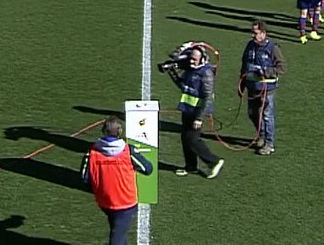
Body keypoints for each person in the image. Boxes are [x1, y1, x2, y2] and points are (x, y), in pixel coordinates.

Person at [80, 116, 153, 245]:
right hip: (126, 202)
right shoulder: (128, 151)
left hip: (105, 202)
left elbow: (85, 178)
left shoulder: (91, 152)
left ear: (104, 131)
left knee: (118, 230)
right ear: (120, 131)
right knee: (117, 237)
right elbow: (147, 169)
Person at [164, 46, 224, 179]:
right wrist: (171, 71)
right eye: (190, 59)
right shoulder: (191, 70)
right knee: (185, 138)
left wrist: (200, 118)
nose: (191, 62)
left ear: (202, 59)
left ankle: (213, 161)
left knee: (192, 139)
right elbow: (183, 86)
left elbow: (208, 98)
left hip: (197, 111)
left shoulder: (206, 73)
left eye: (194, 59)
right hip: (187, 108)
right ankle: (190, 166)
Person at [240, 21, 286, 155]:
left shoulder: (273, 48)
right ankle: (261, 135)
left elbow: (282, 67)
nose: (253, 36)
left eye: (255, 33)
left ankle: (269, 143)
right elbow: (244, 64)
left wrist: (266, 72)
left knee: (266, 115)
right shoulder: (250, 46)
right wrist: (242, 84)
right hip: (252, 87)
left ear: (263, 33)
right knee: (252, 113)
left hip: (267, 88)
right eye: (252, 33)